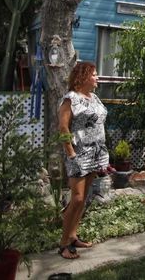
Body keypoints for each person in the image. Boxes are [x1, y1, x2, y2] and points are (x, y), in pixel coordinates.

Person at [58, 62, 109, 259]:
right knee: (77, 198)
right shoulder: (71, 98)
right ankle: (63, 244)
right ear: (84, 76)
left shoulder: (94, 97)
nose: (97, 77)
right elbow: (63, 128)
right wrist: (71, 154)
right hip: (78, 153)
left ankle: (72, 236)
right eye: (94, 75)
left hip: (95, 153)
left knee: (84, 199)